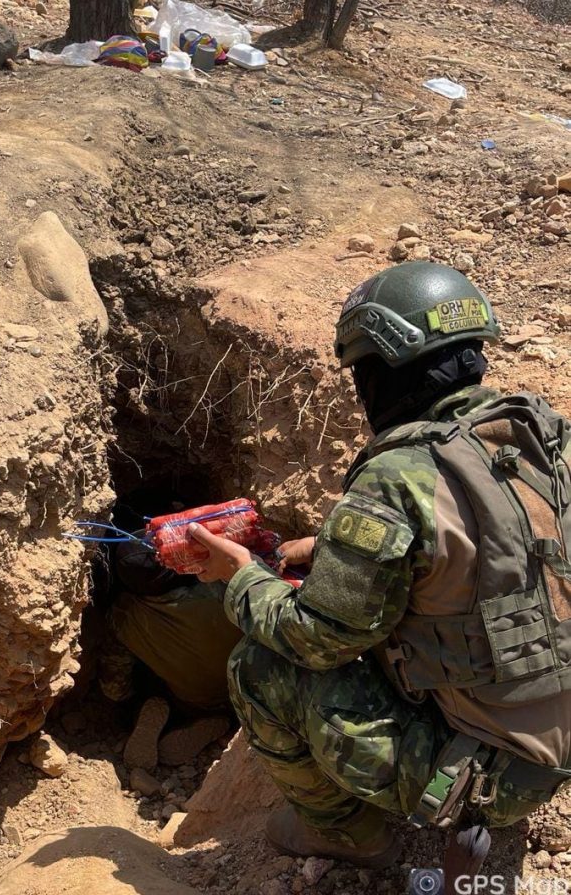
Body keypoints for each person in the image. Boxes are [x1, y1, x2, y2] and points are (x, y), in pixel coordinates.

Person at [189, 261, 571, 869]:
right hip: (561, 738)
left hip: (485, 777)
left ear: (383, 369)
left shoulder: (398, 477)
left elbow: (316, 642)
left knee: (260, 668)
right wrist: (330, 548)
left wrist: (238, 576)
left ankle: (347, 837)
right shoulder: (544, 439)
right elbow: (500, 549)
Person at [96, 531, 241, 771]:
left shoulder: (124, 616)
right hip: (252, 686)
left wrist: (126, 704)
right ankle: (229, 723)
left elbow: (114, 688)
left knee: (146, 680)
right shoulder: (221, 584)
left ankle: (165, 718)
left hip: (195, 700)